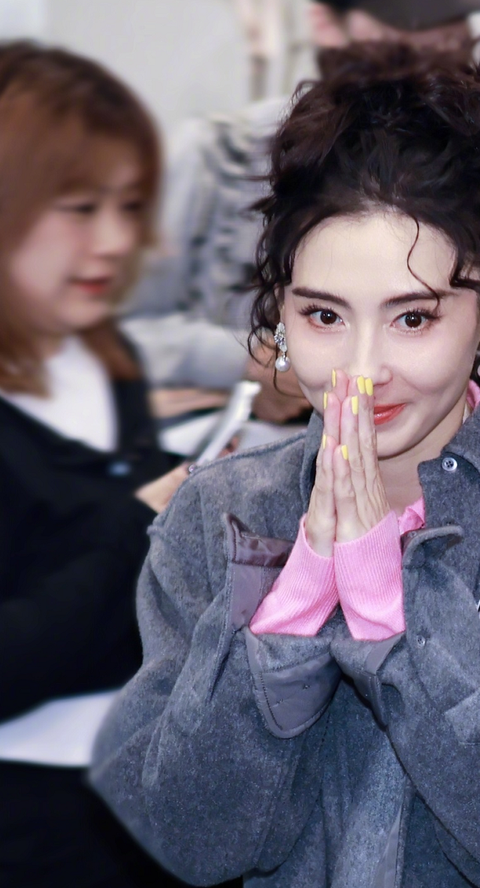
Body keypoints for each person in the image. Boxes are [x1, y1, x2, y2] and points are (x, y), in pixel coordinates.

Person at [92, 44, 480, 886]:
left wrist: (400, 623)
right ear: (279, 311)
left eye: (412, 319)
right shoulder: (219, 516)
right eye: (324, 316)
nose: (362, 369)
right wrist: (282, 630)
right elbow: (190, 846)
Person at [122, 0, 480, 423]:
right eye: (325, 316)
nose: (433, 44)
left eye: (452, 29)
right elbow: (114, 331)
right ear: (325, 22)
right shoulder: (218, 156)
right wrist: (244, 364)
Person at [0, 42, 193, 888]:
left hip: (148, 800)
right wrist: (142, 522)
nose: (115, 242)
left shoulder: (106, 361)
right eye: (81, 208)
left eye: (131, 206)